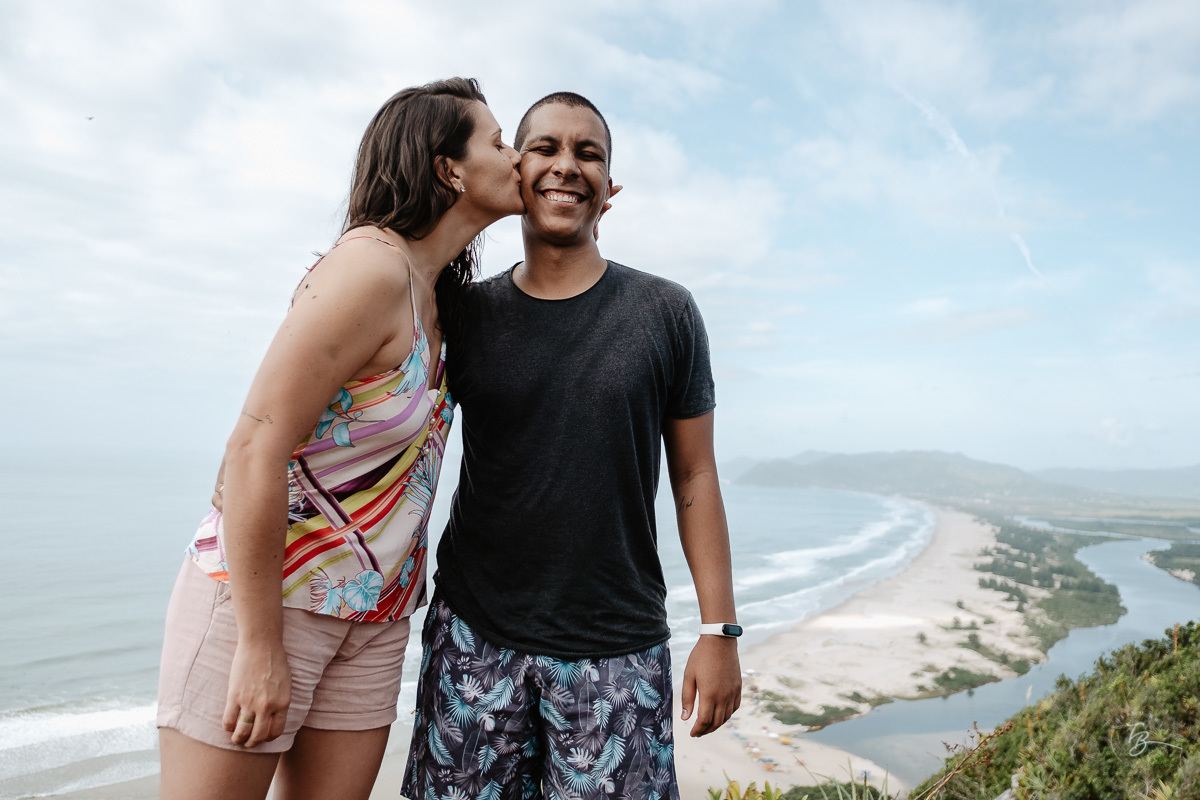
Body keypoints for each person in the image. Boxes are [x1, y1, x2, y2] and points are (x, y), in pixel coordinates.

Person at [156, 77, 523, 800]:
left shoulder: (439, 295)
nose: (514, 158)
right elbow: (254, 447)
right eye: (499, 141)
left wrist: (573, 207)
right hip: (270, 603)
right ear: (449, 168)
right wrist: (261, 647)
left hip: (375, 621)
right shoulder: (370, 266)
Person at [402, 92, 741, 800]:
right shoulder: (465, 313)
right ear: (515, 169)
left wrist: (719, 629)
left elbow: (695, 472)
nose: (568, 165)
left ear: (609, 189)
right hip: (474, 640)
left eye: (589, 154)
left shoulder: (664, 310)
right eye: (548, 148)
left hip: (617, 647)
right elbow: (396, 430)